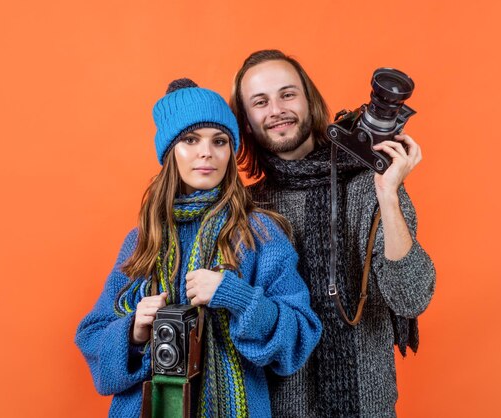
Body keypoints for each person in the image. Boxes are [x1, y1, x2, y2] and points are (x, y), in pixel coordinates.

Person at [75, 78, 322, 418]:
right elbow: (92, 338)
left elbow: (298, 336)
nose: (206, 152)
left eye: (219, 141)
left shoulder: (260, 233)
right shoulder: (142, 241)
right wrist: (133, 331)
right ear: (170, 150)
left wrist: (235, 296)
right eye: (191, 140)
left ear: (230, 153)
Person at [230, 50, 436, 417]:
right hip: (275, 408)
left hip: (365, 406)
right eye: (260, 102)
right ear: (246, 121)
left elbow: (411, 297)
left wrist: (388, 194)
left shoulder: (368, 185)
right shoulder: (245, 209)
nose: (276, 109)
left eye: (287, 94)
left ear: (309, 100)